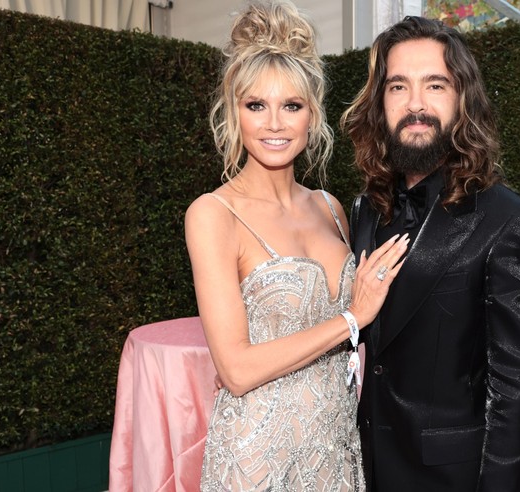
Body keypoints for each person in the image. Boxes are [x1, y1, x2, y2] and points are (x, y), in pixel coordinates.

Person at [184, 1, 408, 490]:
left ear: (312, 115)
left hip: (335, 450)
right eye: (255, 105)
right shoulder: (213, 214)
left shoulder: (330, 207)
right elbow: (238, 371)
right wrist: (351, 317)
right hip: (257, 458)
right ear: (234, 112)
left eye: (291, 105)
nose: (274, 124)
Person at [341, 15, 520, 492]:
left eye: (435, 85)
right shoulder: (364, 210)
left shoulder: (510, 220)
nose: (415, 104)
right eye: (397, 87)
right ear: (379, 104)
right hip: (360, 468)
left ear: (462, 100)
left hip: (450, 478)